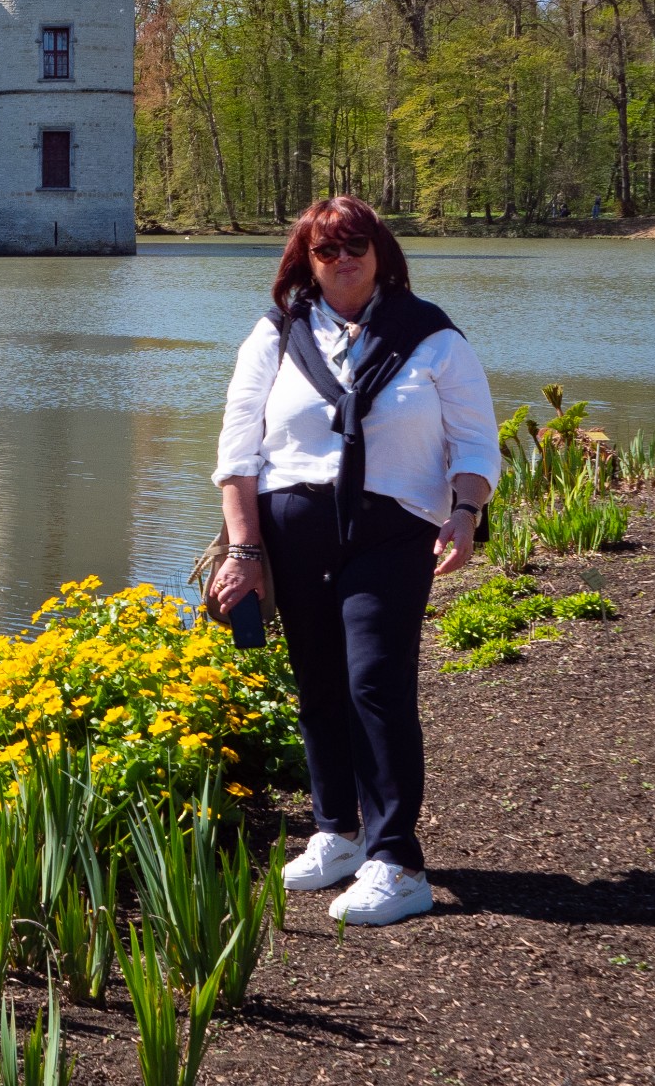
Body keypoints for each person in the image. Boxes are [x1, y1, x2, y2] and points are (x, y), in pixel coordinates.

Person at [208, 195, 500, 927]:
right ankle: (338, 833)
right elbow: (238, 453)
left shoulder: (431, 336)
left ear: (381, 253)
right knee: (317, 684)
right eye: (327, 250)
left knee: (375, 682)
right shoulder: (276, 334)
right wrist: (243, 550)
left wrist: (466, 512)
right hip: (292, 531)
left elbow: (474, 442)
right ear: (305, 261)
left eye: (356, 246)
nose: (343, 261)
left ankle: (398, 862)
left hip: (393, 533)